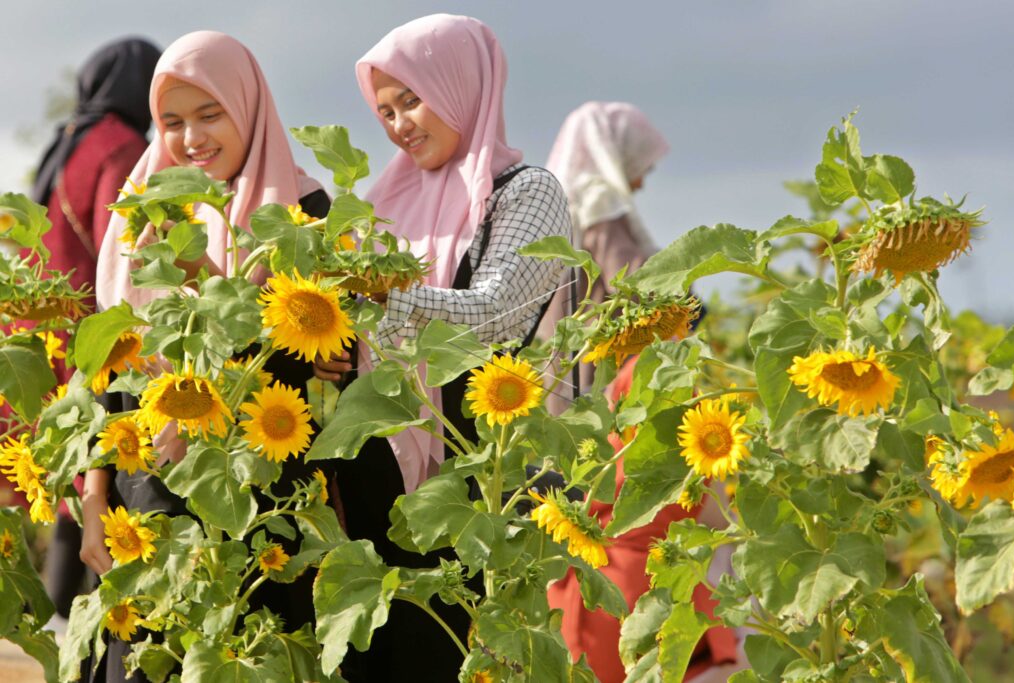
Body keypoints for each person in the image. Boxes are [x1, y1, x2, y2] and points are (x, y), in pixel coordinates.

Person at [313, 14, 571, 682]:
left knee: (453, 652)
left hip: (473, 478)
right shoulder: (385, 200)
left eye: (413, 100)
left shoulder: (527, 192)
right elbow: (354, 333)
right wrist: (331, 342)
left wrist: (374, 301)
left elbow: (494, 315)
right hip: (379, 480)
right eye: (385, 110)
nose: (398, 124)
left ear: (462, 84)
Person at [87, 31, 329, 683]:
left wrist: (205, 285)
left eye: (209, 114)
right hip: (148, 495)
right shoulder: (149, 212)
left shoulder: (303, 213)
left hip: (256, 503)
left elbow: (297, 365)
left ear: (248, 107)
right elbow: (114, 371)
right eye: (172, 122)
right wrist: (92, 498)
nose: (191, 138)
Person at [27, 36, 161, 624]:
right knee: (98, 466)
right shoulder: (123, 146)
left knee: (69, 470)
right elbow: (125, 244)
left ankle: (58, 618)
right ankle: (72, 619)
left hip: (44, 329)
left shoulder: (67, 142)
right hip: (96, 330)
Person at [547, 357, 740, 683]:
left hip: (592, 579)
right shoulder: (697, 433)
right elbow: (716, 515)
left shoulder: (614, 435)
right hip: (650, 581)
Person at [539, 101, 670, 399]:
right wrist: (680, 280)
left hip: (560, 354)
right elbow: (628, 278)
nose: (640, 183)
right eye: (642, 168)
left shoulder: (562, 203)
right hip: (594, 357)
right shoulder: (597, 197)